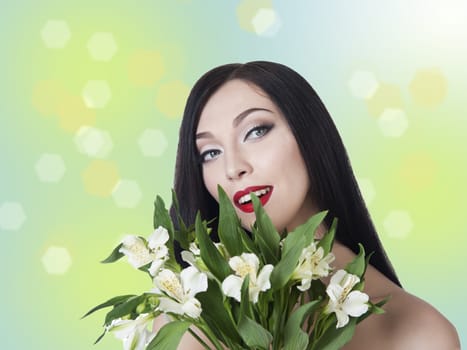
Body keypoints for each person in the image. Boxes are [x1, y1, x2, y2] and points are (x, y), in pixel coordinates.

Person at [154, 61, 460, 349]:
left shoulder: (420, 332)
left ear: (309, 134)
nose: (233, 167)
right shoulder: (189, 313)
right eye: (210, 153)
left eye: (256, 131)